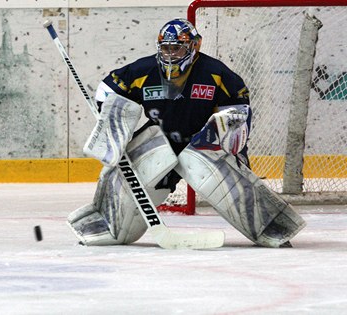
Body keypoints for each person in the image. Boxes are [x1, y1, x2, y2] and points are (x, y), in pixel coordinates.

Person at [67, 18, 305, 248]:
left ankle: (272, 226)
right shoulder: (143, 70)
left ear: (193, 46)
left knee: (233, 186)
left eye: (177, 48)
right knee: (122, 182)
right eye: (166, 48)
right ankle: (110, 224)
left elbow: (239, 104)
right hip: (161, 142)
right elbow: (108, 88)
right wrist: (109, 117)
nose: (170, 54)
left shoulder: (215, 72)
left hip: (205, 145)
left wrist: (229, 134)